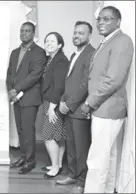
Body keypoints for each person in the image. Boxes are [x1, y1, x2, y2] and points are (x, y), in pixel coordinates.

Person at [82, 6, 134, 193]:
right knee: (108, 157)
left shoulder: (122, 41)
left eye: (107, 19)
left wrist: (89, 102)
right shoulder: (107, 42)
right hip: (103, 108)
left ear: (118, 21)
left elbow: (114, 79)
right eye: (99, 19)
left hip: (108, 108)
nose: (101, 22)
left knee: (96, 159)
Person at [56, 21, 95, 193]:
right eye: (75, 33)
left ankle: (81, 181)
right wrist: (62, 102)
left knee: (81, 149)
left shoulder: (91, 54)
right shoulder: (74, 55)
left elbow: (85, 84)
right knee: (71, 146)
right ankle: (72, 174)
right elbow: (69, 82)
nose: (76, 36)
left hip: (79, 110)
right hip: (68, 108)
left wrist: (69, 104)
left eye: (81, 33)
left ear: (89, 35)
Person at [6, 22, 47, 174]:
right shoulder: (15, 52)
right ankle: (23, 156)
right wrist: (10, 89)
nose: (24, 33)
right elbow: (10, 73)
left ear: (33, 34)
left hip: (30, 97)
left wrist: (16, 89)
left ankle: (30, 161)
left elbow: (35, 75)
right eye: (22, 31)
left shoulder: (39, 52)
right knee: (21, 130)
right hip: (15, 97)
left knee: (28, 130)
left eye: (27, 31)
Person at [41, 32, 69, 179]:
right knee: (58, 135)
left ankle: (55, 167)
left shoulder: (60, 61)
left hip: (54, 103)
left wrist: (52, 107)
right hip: (51, 102)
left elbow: (59, 85)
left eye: (52, 41)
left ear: (60, 44)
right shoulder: (51, 60)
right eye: (47, 41)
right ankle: (57, 163)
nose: (49, 43)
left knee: (49, 136)